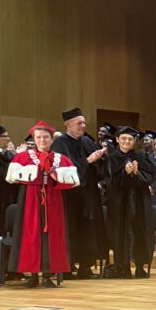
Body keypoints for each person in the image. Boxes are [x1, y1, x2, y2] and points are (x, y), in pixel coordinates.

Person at [5, 121, 79, 287]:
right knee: (30, 234)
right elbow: (12, 178)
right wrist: (35, 171)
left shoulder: (61, 159)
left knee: (52, 235)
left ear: (51, 139)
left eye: (46, 137)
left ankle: (47, 275)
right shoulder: (23, 157)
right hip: (30, 199)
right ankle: (32, 275)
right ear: (34, 139)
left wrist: (53, 172)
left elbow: (73, 182)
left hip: (54, 199)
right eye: (38, 137)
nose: (42, 140)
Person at [50, 107, 108, 279]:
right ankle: (66, 268)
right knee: (71, 229)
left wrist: (102, 158)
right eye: (79, 123)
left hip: (88, 194)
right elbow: (64, 170)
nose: (83, 126)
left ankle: (85, 267)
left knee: (88, 230)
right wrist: (89, 160)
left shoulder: (87, 141)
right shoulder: (59, 144)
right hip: (70, 196)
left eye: (83, 123)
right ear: (68, 125)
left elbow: (99, 168)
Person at [103, 126, 156, 278]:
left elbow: (151, 175)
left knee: (140, 231)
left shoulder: (140, 156)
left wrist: (136, 173)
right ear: (117, 139)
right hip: (120, 202)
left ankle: (140, 266)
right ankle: (123, 266)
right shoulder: (111, 159)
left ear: (134, 141)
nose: (127, 141)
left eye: (130, 139)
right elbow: (109, 182)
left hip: (139, 200)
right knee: (120, 232)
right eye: (123, 138)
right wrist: (124, 173)